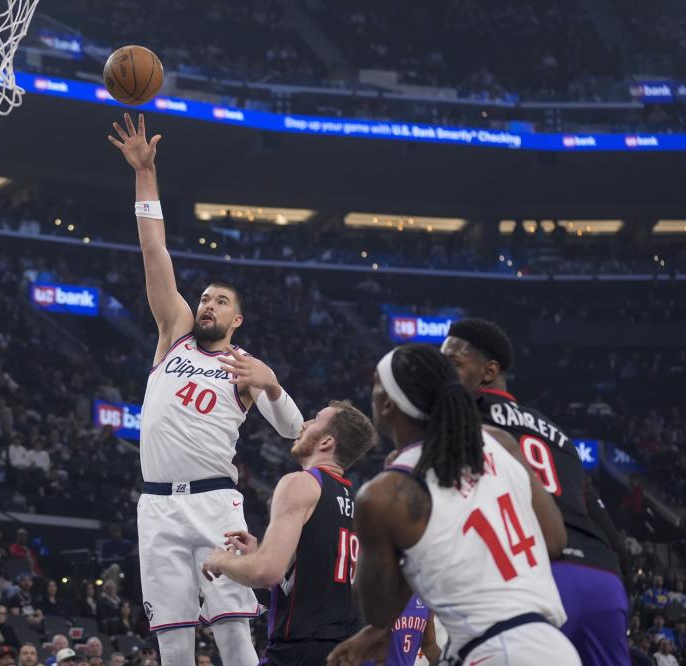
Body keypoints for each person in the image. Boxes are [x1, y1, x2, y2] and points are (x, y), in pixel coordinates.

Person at [108, 112, 305, 666]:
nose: (207, 304)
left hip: (215, 502)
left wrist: (272, 385)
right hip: (156, 505)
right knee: (171, 641)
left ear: (236, 319)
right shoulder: (174, 333)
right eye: (205, 297)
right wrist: (145, 173)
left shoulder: (245, 366)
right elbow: (155, 252)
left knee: (233, 634)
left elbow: (296, 434)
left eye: (220, 301)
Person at [326, 344, 578, 666]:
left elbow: (378, 611)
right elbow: (555, 540)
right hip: (556, 646)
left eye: (375, 384)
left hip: (492, 651)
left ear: (387, 403)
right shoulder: (501, 442)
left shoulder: (385, 495)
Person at [442, 318, 630, 665]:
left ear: (488, 371)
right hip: (603, 578)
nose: (442, 373)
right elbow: (603, 523)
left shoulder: (463, 420)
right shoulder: (558, 434)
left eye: (451, 362)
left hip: (534, 576)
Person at [202, 401, 377, 665]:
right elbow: (312, 582)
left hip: (301, 650)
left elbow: (266, 572)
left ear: (327, 442)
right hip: (346, 652)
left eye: (315, 419)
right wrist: (258, 555)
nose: (304, 424)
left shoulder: (300, 483)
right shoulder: (359, 503)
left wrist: (221, 560)